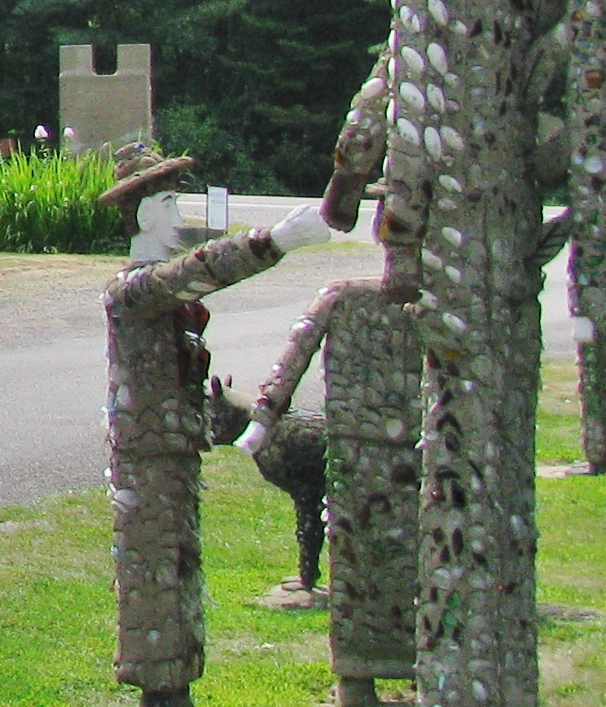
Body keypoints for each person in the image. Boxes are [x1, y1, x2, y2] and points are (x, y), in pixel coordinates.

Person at [102, 143, 330, 707]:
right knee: (155, 575)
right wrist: (273, 241)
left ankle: (174, 684)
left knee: (178, 572)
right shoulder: (133, 291)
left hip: (170, 454)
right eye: (171, 204)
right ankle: (162, 689)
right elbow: (193, 273)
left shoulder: (155, 289)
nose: (180, 218)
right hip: (148, 457)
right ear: (148, 213)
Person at [243, 113, 422, 707]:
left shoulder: (436, 307)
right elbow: (296, 352)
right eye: (395, 228)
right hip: (354, 453)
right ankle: (358, 675)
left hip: (420, 452)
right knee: (357, 562)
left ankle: (420, 665)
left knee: (417, 560)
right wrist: (264, 414)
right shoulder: (344, 299)